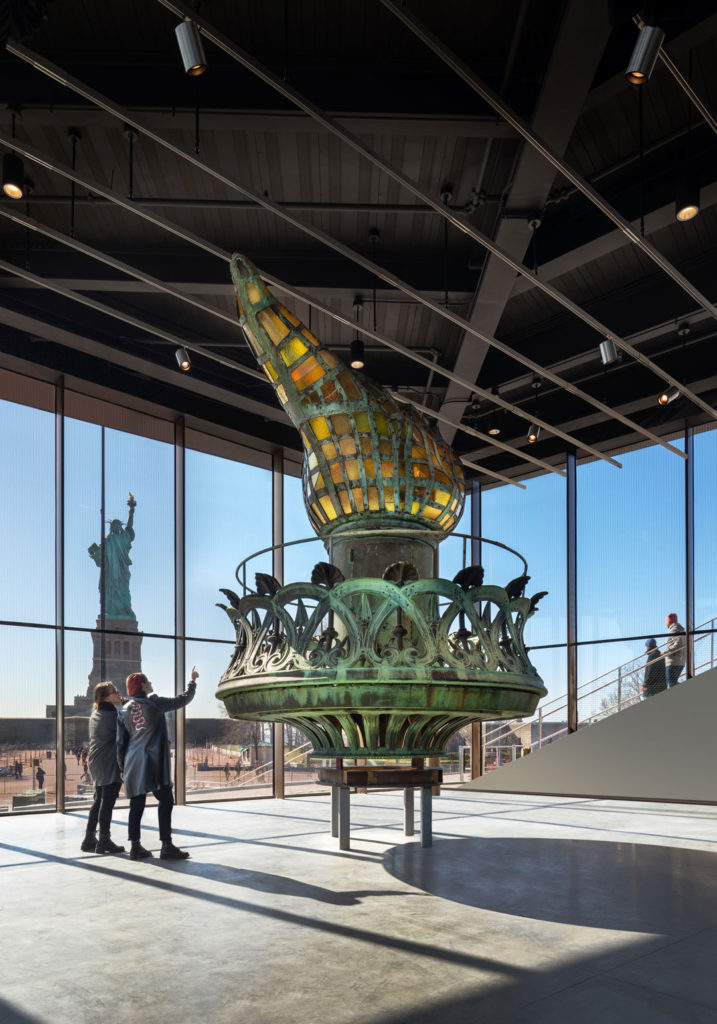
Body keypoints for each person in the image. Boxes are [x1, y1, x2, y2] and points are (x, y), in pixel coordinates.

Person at [117, 667, 198, 861]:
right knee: (166, 800)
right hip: (153, 760)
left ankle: (135, 847)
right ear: (143, 685)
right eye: (148, 681)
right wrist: (192, 682)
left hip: (133, 760)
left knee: (137, 803)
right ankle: (166, 845)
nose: (151, 683)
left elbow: (121, 743)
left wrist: (122, 767)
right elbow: (182, 700)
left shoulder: (125, 710)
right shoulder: (154, 702)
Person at [81, 682, 126, 855]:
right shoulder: (111, 713)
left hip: (96, 761)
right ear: (107, 697)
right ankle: (104, 841)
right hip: (108, 761)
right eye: (114, 691)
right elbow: (125, 731)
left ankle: (89, 838)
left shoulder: (96, 712)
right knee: (107, 802)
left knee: (99, 800)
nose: (118, 692)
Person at [664, 613, 686, 688]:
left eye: (665, 621)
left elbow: (679, 643)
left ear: (669, 621)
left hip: (673, 661)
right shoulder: (681, 629)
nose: (665, 623)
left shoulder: (673, 629)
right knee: (672, 683)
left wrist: (667, 651)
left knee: (671, 684)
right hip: (681, 661)